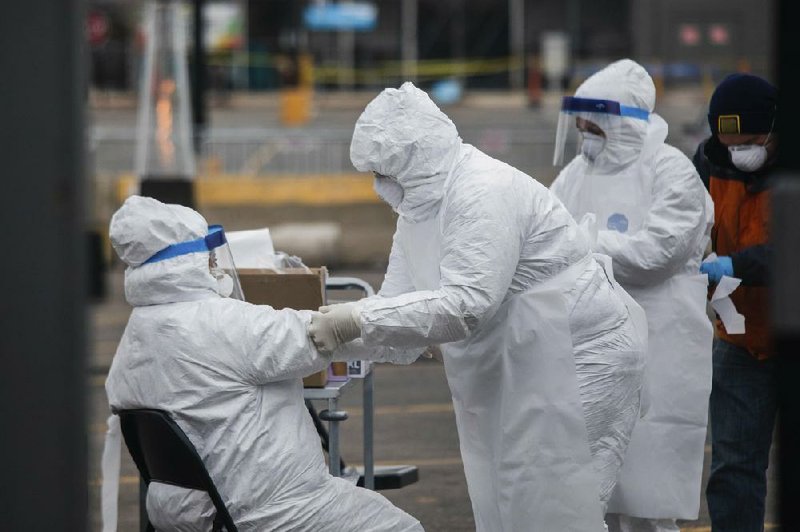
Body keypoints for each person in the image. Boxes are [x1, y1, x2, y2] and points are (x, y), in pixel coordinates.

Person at [309, 82, 647, 531]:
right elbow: (397, 314)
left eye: (384, 172)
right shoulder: (418, 210)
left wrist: (354, 320)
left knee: (559, 509)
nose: (377, 186)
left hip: (583, 357)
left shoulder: (481, 191)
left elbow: (467, 306)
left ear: (416, 161)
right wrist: (322, 342)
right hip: (528, 363)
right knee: (514, 505)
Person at [102, 195, 422, 532]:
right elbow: (317, 335)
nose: (216, 266)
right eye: (210, 257)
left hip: (185, 515)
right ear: (190, 261)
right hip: (268, 509)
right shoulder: (221, 324)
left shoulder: (137, 333)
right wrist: (411, 329)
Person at [549, 59, 714, 532]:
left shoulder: (670, 170)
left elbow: (656, 254)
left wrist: (586, 245)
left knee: (651, 479)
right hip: (592, 341)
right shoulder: (577, 174)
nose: (584, 137)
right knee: (602, 479)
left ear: (618, 123)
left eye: (592, 126)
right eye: (580, 127)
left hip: (663, 339)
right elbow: (546, 235)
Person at [692, 73, 777, 531]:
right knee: (734, 469)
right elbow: (686, 222)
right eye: (728, 143)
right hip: (740, 341)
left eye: (749, 142)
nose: (737, 152)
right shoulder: (709, 162)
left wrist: (736, 264)